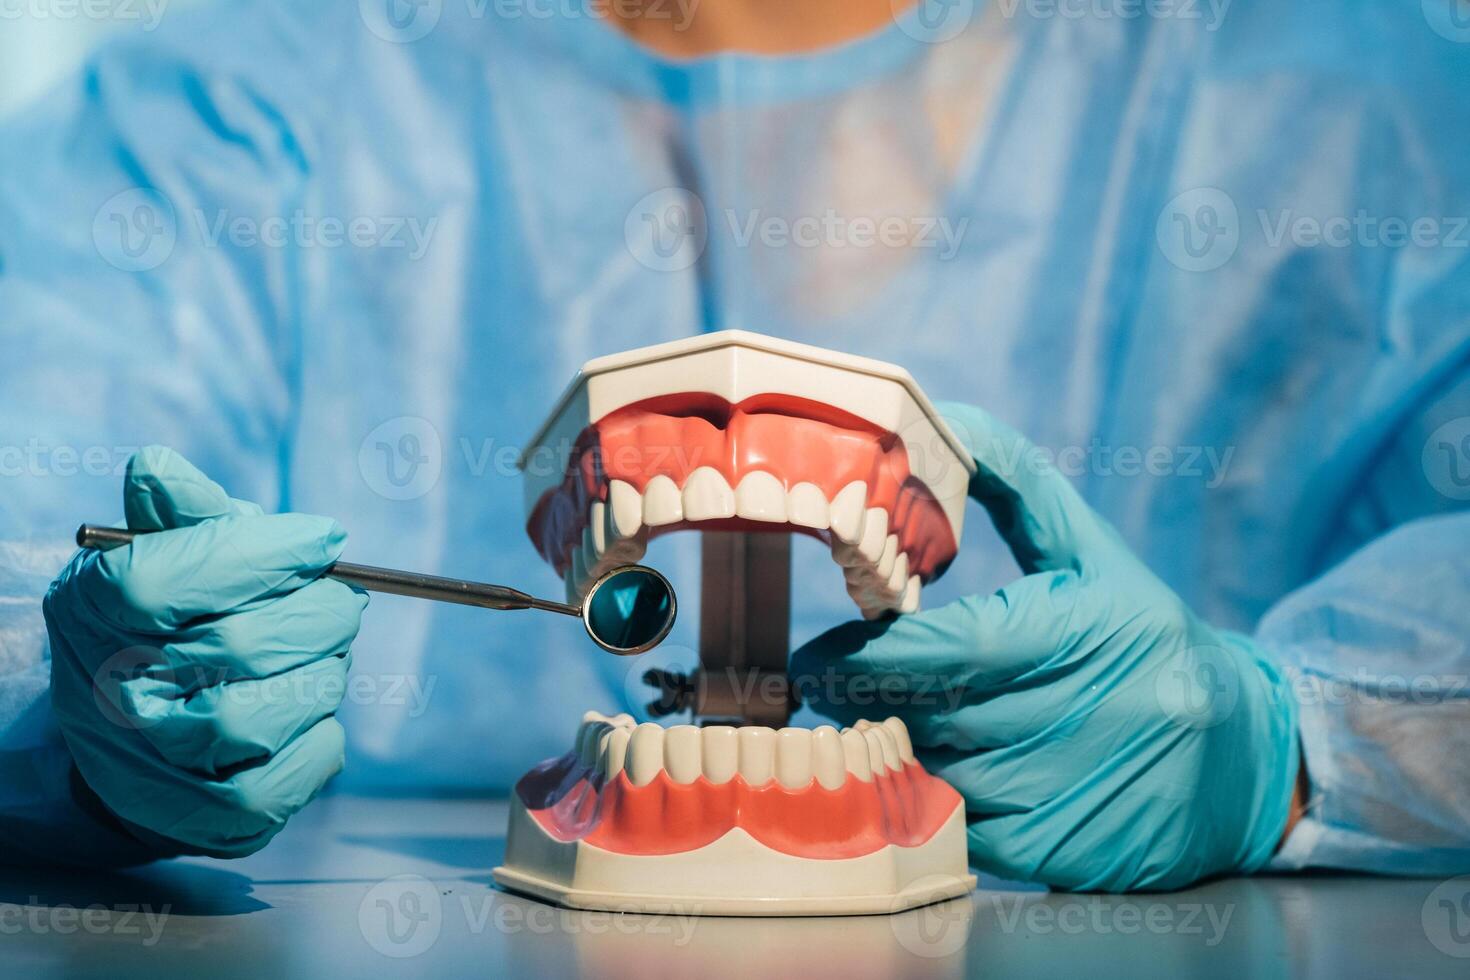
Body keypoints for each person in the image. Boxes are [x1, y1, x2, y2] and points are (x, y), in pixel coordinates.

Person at [1, 0, 1467, 888]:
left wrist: (1301, 740)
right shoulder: (234, 110)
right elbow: (30, 504)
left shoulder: (1335, 98)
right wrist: (69, 714)